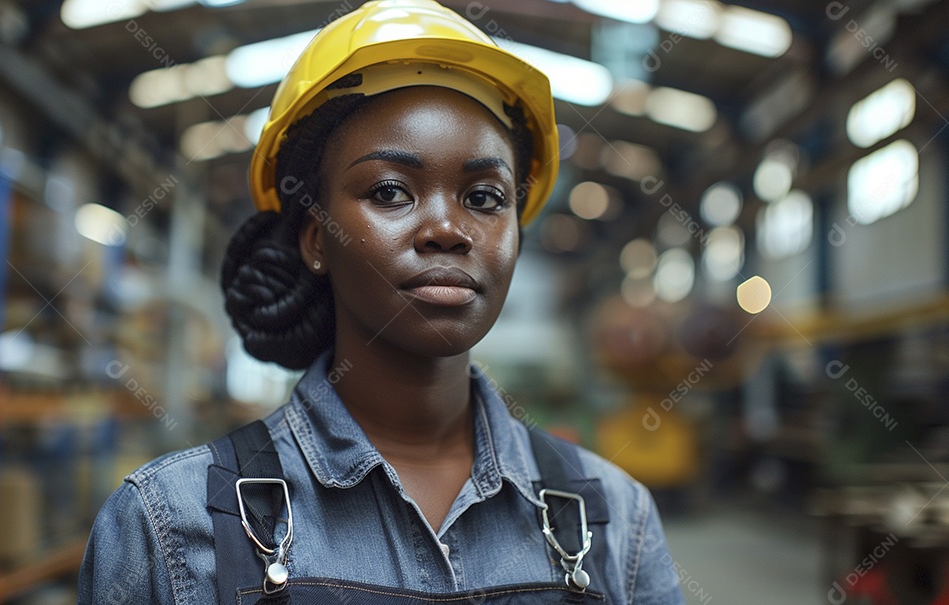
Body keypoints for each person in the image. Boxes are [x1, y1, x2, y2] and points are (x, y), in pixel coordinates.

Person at [78, 1, 684, 603]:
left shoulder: (614, 521)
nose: (448, 228)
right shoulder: (167, 528)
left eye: (484, 197)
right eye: (391, 191)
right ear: (316, 239)